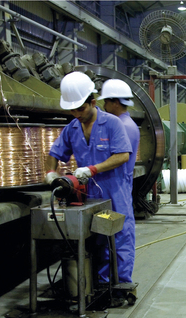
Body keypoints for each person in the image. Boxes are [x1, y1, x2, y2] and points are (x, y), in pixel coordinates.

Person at [45, 71, 135, 290]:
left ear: (93, 103)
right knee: (94, 239)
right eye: (72, 110)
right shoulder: (72, 128)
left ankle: (120, 285)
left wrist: (92, 169)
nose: (76, 114)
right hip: (88, 194)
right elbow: (55, 153)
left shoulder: (112, 123)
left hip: (114, 191)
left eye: (80, 109)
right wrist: (51, 173)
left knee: (119, 236)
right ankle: (98, 284)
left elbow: (123, 155)